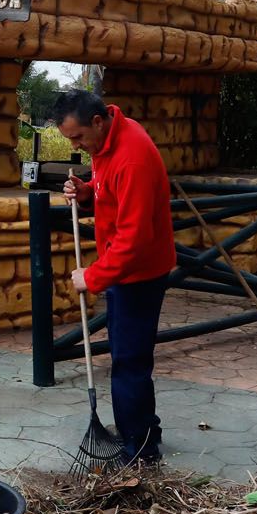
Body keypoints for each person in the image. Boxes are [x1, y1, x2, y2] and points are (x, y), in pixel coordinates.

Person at [57, 89, 175, 464]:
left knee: (128, 361)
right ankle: (146, 429)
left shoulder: (131, 157)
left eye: (77, 137)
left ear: (97, 121)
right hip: (125, 267)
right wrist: (86, 192)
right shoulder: (106, 141)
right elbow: (111, 192)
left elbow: (134, 238)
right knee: (130, 356)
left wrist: (92, 277)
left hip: (137, 272)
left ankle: (139, 448)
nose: (76, 146)